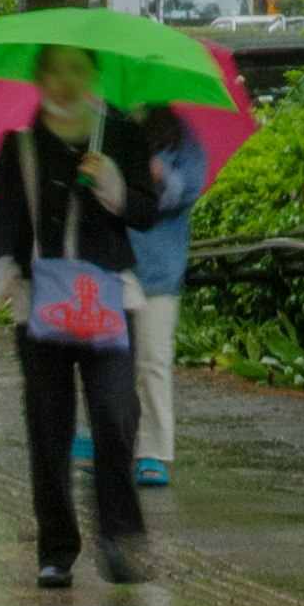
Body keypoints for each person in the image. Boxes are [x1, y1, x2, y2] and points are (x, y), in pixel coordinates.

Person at [0, 40, 156, 585]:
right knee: (49, 428)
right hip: (42, 306)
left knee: (115, 416)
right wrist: (2, 266)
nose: (66, 81)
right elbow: (4, 217)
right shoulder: (21, 144)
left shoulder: (120, 134)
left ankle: (120, 538)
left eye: (78, 69)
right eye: (55, 70)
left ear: (92, 74)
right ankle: (56, 548)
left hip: (106, 301)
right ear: (40, 75)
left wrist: (117, 190)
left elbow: (146, 214)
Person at [127, 111, 207, 493]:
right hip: (114, 262)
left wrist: (161, 177)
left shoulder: (183, 136)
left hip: (160, 268)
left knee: (153, 359)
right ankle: (109, 441)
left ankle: (153, 452)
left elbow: (190, 186)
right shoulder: (109, 127)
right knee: (109, 359)